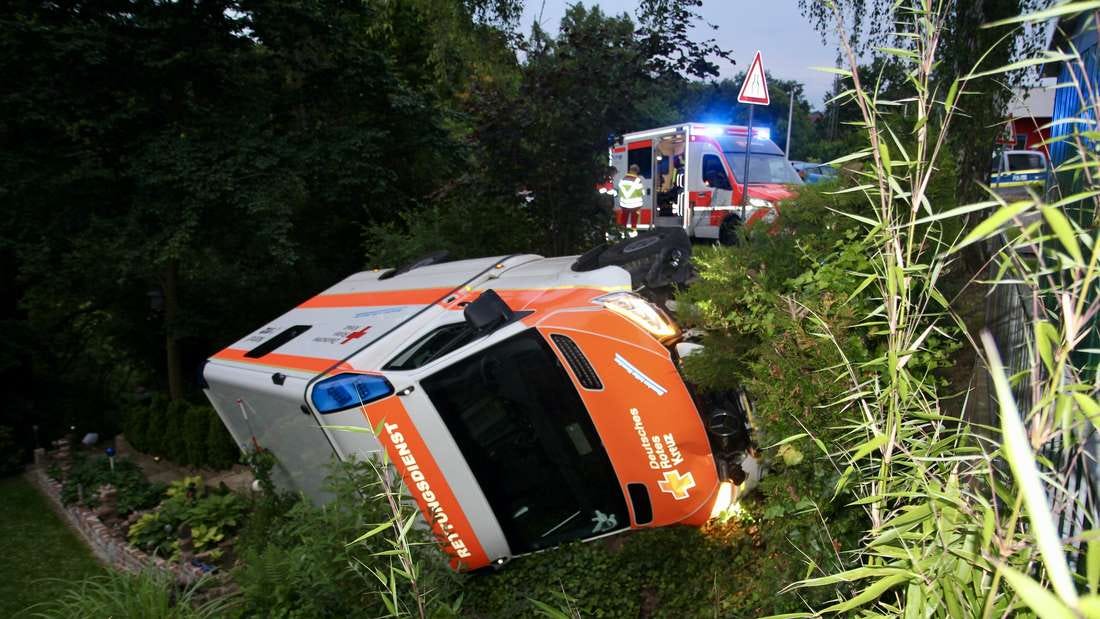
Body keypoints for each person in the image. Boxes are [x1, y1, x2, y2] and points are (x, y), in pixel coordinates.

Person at [618, 164, 644, 230]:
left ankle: (622, 233)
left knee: (624, 219)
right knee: (634, 220)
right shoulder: (638, 180)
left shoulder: (623, 179)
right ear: (637, 171)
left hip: (624, 204)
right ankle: (633, 233)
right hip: (635, 205)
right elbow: (641, 193)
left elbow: (620, 192)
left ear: (630, 170)